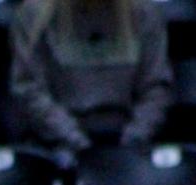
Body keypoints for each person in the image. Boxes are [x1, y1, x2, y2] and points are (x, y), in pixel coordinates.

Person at [9, 0, 172, 154]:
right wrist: (75, 140)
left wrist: (134, 138)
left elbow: (156, 88)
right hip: (57, 142)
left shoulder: (144, 12)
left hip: (130, 138)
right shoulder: (34, 15)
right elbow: (29, 89)